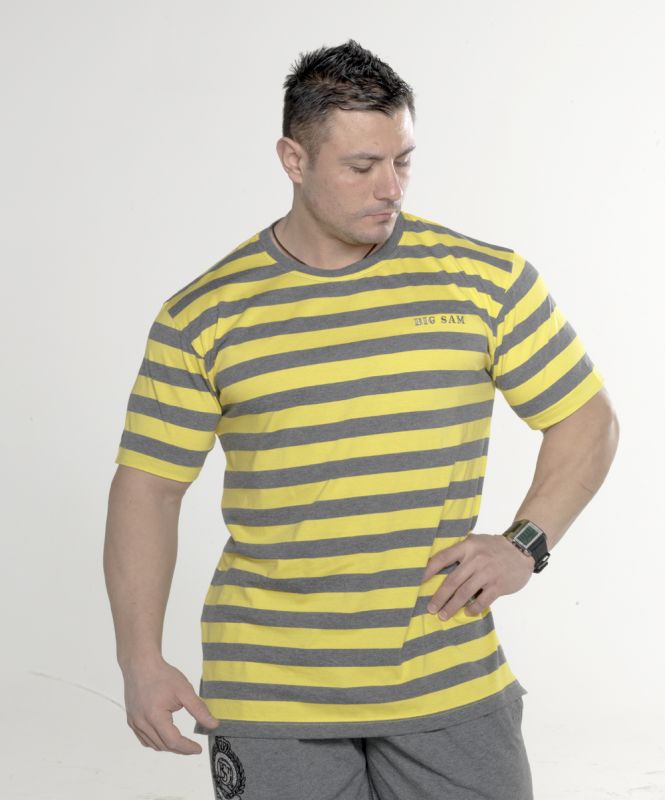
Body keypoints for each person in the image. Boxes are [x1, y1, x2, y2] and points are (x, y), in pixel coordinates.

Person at [104, 39, 619, 800]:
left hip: (446, 676)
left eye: (402, 160)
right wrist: (140, 660)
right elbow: (148, 488)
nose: (390, 187)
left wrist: (525, 544)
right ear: (294, 159)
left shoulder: (483, 280)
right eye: (362, 166)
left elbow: (585, 418)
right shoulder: (205, 313)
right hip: (270, 691)